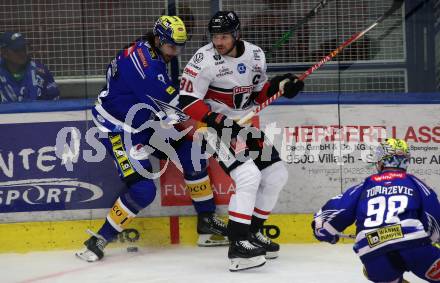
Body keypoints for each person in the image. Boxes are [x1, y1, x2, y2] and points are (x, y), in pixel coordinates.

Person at [75, 15, 228, 262]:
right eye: (171, 46)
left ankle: (206, 222)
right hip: (119, 127)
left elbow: (167, 107)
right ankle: (98, 240)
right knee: (143, 190)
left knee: (192, 151)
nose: (175, 52)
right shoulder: (146, 67)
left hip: (143, 119)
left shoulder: (149, 49)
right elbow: (175, 109)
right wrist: (212, 116)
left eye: (180, 46)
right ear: (158, 39)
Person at [178, 11, 304, 271]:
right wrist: (217, 121)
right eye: (215, 36)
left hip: (242, 126)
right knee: (248, 177)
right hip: (214, 129)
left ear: (237, 34)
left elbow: (259, 95)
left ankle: (253, 233)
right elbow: (187, 101)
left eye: (224, 36)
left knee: (276, 174)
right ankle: (237, 247)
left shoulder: (256, 55)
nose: (219, 42)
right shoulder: (203, 59)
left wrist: (282, 85)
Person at [312, 138, 440, 282]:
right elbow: (434, 216)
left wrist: (326, 234)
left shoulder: (364, 185)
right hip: (415, 248)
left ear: (380, 161)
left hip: (373, 255)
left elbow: (326, 220)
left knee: (374, 271)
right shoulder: (414, 183)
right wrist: (433, 239)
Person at [0, 32, 59, 103]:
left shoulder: (41, 71)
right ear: (4, 53)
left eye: (24, 48)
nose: (22, 53)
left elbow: (54, 100)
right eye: (16, 50)